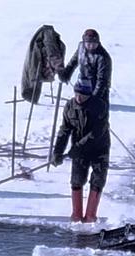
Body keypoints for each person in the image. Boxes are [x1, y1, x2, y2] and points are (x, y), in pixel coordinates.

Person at [51, 81, 110, 223]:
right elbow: (64, 130)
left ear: (89, 95)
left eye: (83, 95)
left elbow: (97, 132)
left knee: (98, 179)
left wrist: (78, 147)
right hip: (79, 149)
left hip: (99, 148)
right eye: (77, 94)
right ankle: (76, 215)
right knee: (77, 179)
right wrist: (57, 152)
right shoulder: (70, 106)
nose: (79, 97)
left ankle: (90, 216)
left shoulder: (100, 106)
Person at [60, 29, 112, 106]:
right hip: (83, 83)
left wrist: (95, 98)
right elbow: (74, 61)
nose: (91, 46)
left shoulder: (103, 57)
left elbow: (102, 81)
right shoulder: (81, 47)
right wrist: (66, 73)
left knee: (97, 108)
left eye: (94, 44)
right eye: (88, 43)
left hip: (99, 88)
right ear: (84, 42)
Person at [20, 24, 65, 103]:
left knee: (33, 75)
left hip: (39, 67)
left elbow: (53, 53)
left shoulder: (46, 38)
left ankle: (32, 96)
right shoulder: (45, 39)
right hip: (38, 67)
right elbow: (53, 53)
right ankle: (32, 95)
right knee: (34, 75)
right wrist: (59, 68)